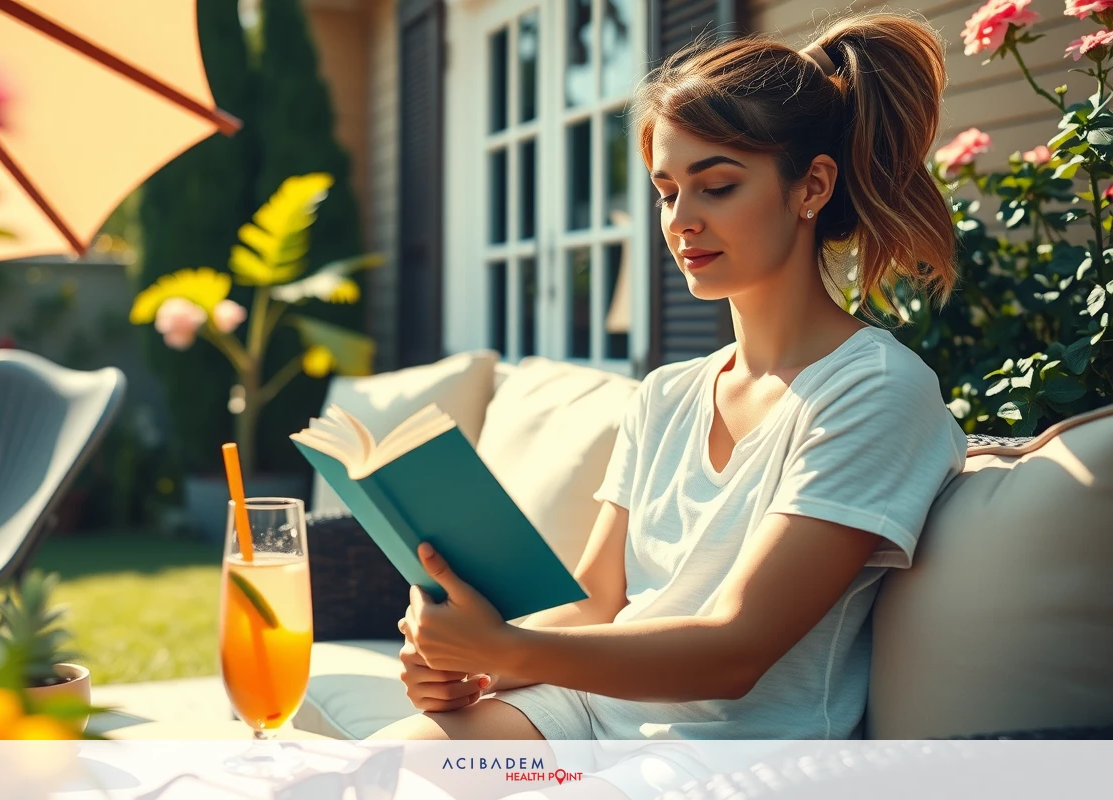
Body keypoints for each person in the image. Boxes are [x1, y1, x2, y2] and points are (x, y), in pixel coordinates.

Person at [368, 10, 968, 794]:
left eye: (717, 185)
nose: (682, 221)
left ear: (811, 186)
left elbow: (735, 649)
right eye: (666, 190)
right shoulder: (667, 394)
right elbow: (596, 605)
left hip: (726, 762)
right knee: (359, 775)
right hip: (583, 719)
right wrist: (472, 660)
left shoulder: (873, 392)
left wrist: (506, 652)